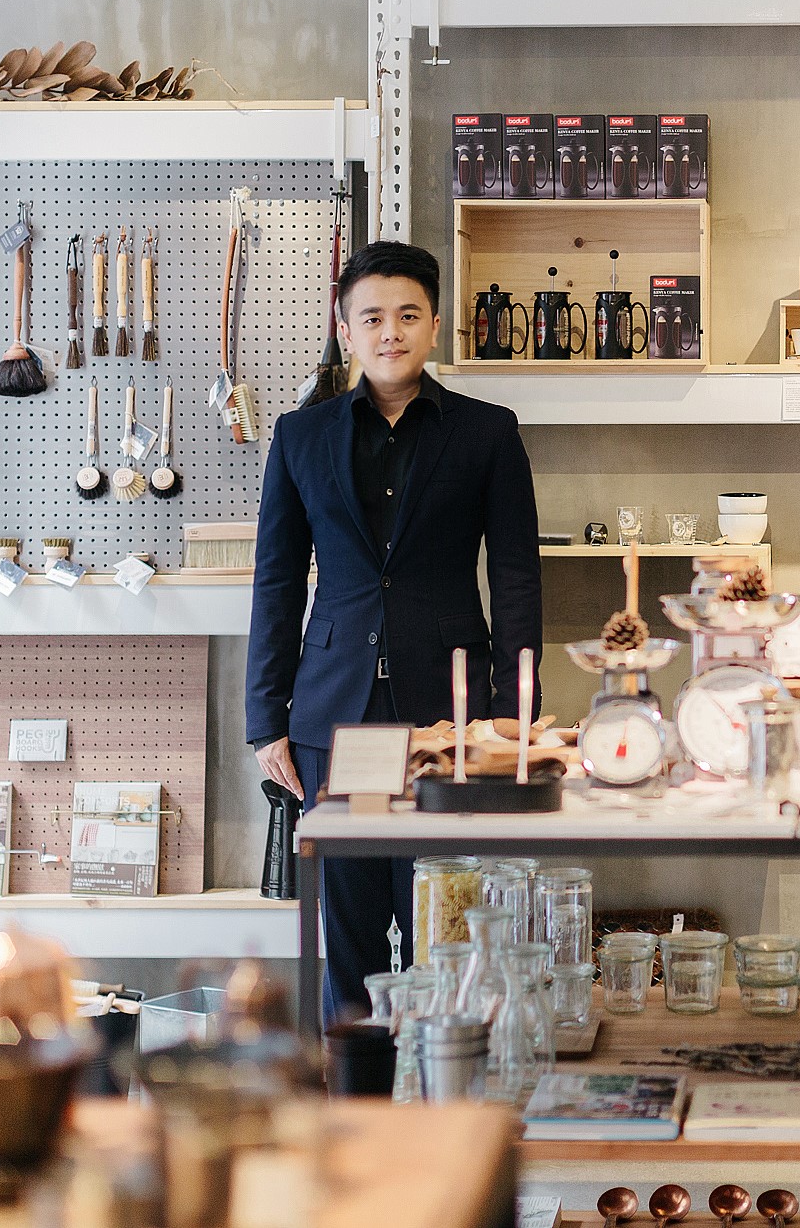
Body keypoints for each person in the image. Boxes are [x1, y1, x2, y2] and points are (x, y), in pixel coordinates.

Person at [246, 240, 542, 1022]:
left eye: (408, 315)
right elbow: (276, 581)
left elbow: (514, 577)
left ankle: (439, 1107)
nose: (390, 332)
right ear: (345, 330)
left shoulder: (488, 433)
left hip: (449, 715)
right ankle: (355, 1107)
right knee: (346, 940)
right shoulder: (299, 436)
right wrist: (263, 720)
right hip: (329, 718)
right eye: (372, 316)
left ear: (435, 326)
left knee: (444, 929)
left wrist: (515, 713)